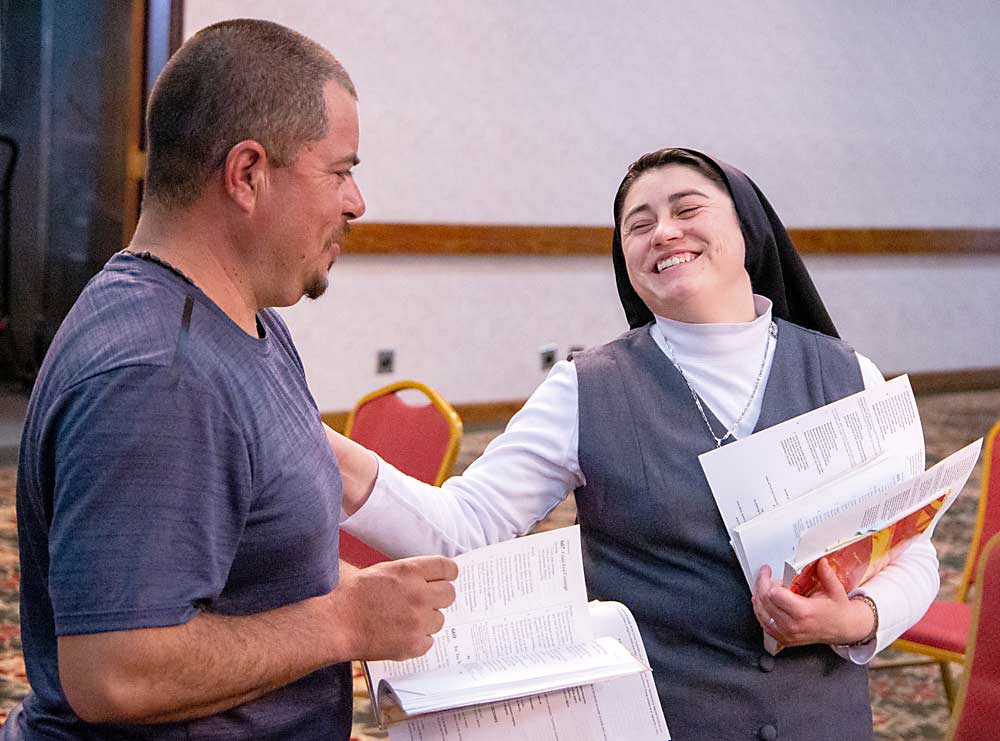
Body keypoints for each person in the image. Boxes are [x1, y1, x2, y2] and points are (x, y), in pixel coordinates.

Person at [334, 148, 940, 740]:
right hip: (658, 719)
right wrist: (324, 452)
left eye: (688, 209)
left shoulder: (848, 375)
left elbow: (911, 553)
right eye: (639, 225)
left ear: (748, 231)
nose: (664, 232)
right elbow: (463, 528)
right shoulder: (585, 389)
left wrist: (856, 619)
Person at [6, 19, 457, 740]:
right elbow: (115, 671)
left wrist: (370, 598)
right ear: (247, 174)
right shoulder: (159, 375)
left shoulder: (246, 318)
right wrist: (345, 621)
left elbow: (258, 567)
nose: (357, 202)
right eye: (339, 171)